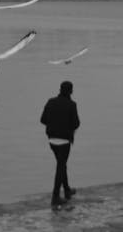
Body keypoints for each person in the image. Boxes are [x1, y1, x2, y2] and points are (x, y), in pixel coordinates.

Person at [40, 80, 80, 208]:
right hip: (64, 141)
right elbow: (76, 124)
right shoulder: (72, 105)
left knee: (61, 165)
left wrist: (54, 124)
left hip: (51, 140)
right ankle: (55, 196)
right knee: (61, 166)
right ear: (71, 91)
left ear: (59, 89)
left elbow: (43, 120)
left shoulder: (50, 102)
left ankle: (67, 190)